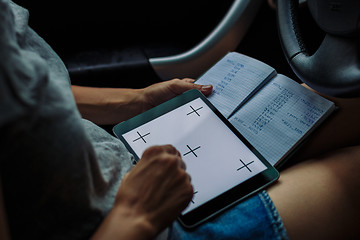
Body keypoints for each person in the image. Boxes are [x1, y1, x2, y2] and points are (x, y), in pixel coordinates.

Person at [1, 0, 360, 239]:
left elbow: (30, 86)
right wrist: (135, 215)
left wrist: (134, 102)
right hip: (153, 224)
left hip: (137, 162)